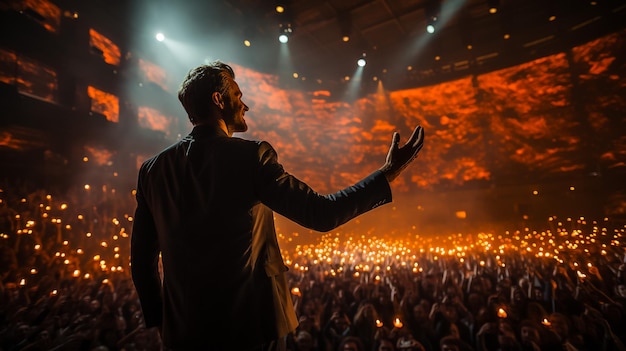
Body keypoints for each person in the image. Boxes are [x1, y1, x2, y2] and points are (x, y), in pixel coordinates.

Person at [130, 61, 425, 351]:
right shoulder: (251, 156)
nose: (245, 106)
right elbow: (321, 214)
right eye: (238, 95)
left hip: (185, 333)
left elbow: (142, 261)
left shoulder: (152, 170)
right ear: (218, 100)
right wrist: (386, 175)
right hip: (252, 326)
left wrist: (160, 321)